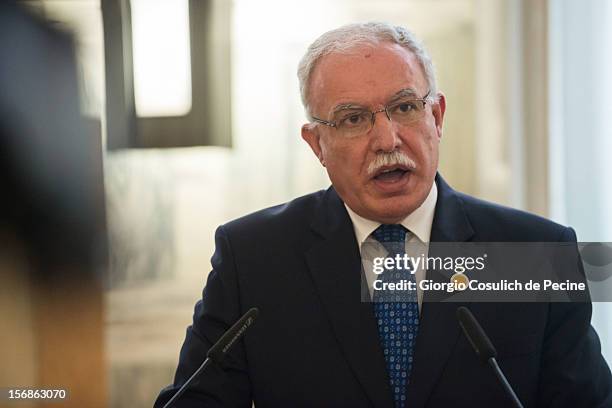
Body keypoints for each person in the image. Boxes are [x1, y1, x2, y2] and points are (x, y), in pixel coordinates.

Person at [155, 22, 612, 407]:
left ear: (437, 116)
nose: (388, 139)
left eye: (405, 107)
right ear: (317, 144)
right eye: (353, 119)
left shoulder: (532, 254)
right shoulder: (254, 259)